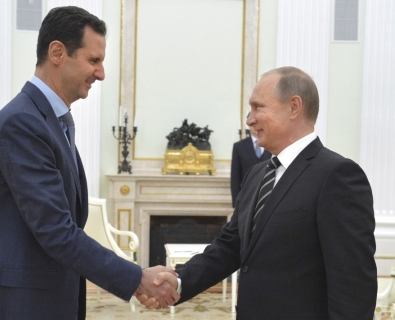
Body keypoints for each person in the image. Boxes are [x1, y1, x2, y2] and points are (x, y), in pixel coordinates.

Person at [0, 6, 177, 320]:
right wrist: (136, 278)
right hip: (17, 306)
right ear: (58, 52)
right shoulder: (23, 124)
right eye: (94, 60)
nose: (101, 73)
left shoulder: (52, 121)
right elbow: (56, 230)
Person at [142, 66, 378, 319]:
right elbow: (230, 247)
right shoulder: (257, 174)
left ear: (294, 107)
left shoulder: (337, 175)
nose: (249, 119)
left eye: (258, 107)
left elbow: (353, 284)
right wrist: (179, 282)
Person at [230, 118, 271, 207]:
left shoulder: (272, 144)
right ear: (249, 125)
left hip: (268, 197)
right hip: (246, 197)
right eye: (253, 123)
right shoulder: (239, 146)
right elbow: (235, 177)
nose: (256, 126)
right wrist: (236, 203)